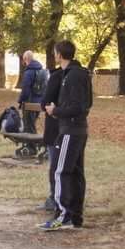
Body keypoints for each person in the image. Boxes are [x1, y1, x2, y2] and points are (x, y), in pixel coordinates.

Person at [43, 40, 92, 231]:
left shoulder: (73, 76)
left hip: (71, 130)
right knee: (74, 173)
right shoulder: (72, 74)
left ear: (58, 54)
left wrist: (56, 111)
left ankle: (63, 215)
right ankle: (74, 217)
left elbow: (78, 106)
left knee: (60, 171)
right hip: (75, 130)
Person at [39, 67, 62, 212]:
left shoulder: (56, 78)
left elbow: (44, 103)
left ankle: (55, 198)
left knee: (55, 166)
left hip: (55, 129)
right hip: (70, 129)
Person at [18, 50, 48, 154]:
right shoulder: (41, 70)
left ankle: (32, 148)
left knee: (28, 126)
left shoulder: (29, 72)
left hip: (29, 103)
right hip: (39, 103)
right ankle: (33, 146)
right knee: (32, 125)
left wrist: (20, 100)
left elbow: (25, 89)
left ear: (26, 59)